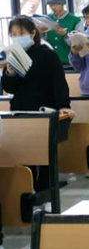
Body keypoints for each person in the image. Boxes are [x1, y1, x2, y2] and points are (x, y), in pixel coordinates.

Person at [1, 16, 72, 205]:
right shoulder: (12, 55)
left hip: (44, 111)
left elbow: (59, 82)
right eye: (13, 34)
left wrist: (64, 106)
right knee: (23, 156)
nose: (17, 37)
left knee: (44, 157)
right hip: (20, 112)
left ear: (33, 33)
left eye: (21, 33)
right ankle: (27, 196)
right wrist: (9, 73)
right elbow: (9, 87)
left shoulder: (46, 54)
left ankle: (46, 197)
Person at [39, 0, 81, 66]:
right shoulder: (46, 19)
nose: (53, 7)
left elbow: (79, 44)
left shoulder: (75, 20)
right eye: (50, 5)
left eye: (56, 4)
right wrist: (40, 33)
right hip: (49, 62)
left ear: (62, 3)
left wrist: (65, 35)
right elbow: (43, 42)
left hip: (69, 63)